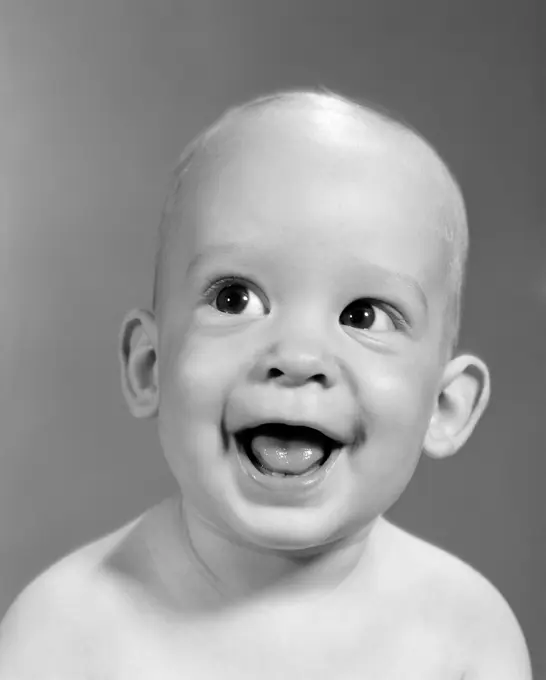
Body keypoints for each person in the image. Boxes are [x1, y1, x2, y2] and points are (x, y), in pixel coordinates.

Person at [0, 90, 532, 679]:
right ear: (148, 365)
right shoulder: (62, 636)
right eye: (236, 299)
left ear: (445, 405)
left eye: (365, 315)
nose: (299, 357)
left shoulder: (465, 638)